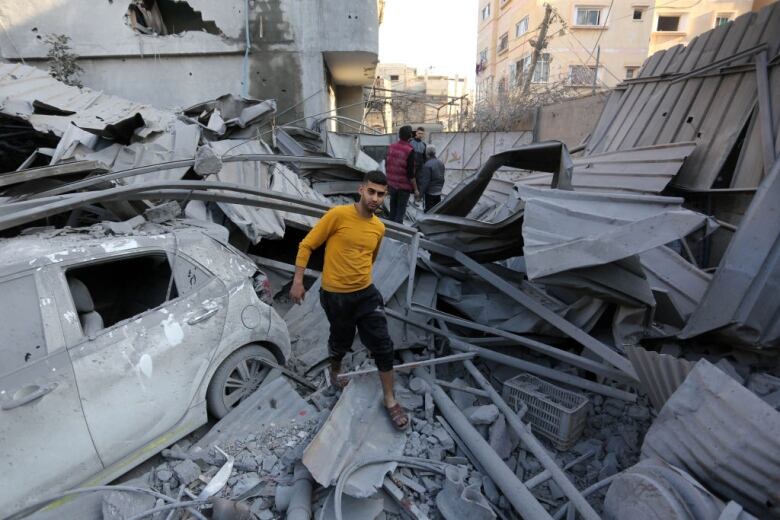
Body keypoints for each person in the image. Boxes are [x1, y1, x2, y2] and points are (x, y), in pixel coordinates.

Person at [289, 170, 410, 431]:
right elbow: (306, 245)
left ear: (385, 195)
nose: (375, 198)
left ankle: (390, 399)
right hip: (335, 296)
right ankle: (335, 369)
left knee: (383, 344)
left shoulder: (379, 227)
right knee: (340, 340)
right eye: (371, 192)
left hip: (366, 294)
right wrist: (298, 281)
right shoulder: (338, 215)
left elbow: (370, 257)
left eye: (381, 194)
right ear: (361, 190)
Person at [385, 125, 418, 223]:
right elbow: (410, 173)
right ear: (410, 136)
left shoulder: (391, 147)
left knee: (393, 209)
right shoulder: (409, 150)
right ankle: (397, 235)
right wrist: (416, 189)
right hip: (403, 187)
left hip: (392, 184)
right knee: (400, 212)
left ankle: (389, 233)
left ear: (399, 135)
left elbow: (386, 164)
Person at [417, 144, 445, 212]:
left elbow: (425, 182)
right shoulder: (441, 163)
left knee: (429, 211)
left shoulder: (427, 165)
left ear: (426, 153)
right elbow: (442, 177)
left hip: (430, 193)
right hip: (438, 192)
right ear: (435, 153)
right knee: (437, 210)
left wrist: (420, 195)